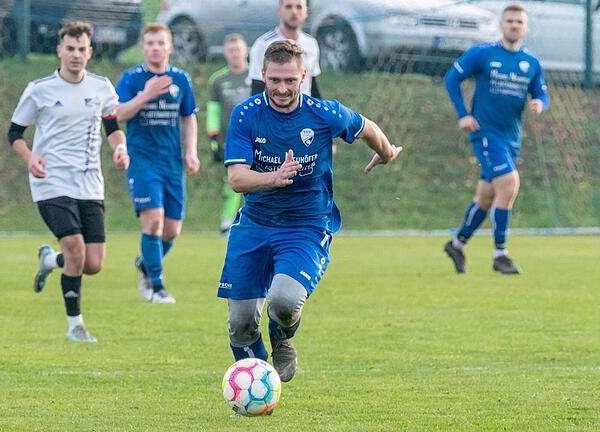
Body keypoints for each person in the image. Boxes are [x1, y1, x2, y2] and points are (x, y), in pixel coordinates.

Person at [218, 40, 402, 382]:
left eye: (291, 80)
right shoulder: (247, 114)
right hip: (256, 224)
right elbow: (236, 179)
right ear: (263, 75)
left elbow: (366, 127)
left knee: (284, 301)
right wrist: (275, 177)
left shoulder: (324, 113)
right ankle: (262, 389)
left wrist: (387, 152)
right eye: (275, 80)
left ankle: (282, 337)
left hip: (306, 226)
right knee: (240, 324)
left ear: (303, 76)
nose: (283, 88)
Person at [8, 22, 129, 342]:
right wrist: (30, 157)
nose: (75, 55)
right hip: (51, 181)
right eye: (70, 49)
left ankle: (50, 260)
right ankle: (75, 326)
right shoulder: (40, 89)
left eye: (81, 50)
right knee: (75, 248)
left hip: (89, 182)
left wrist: (120, 148)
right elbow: (14, 134)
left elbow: (112, 127)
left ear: (89, 53)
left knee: (93, 263)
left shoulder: (101, 87)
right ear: (60, 51)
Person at [442, 4, 549, 275]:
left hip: (512, 137)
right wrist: (463, 114)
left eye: (519, 22)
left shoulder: (531, 63)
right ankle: (500, 254)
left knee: (486, 197)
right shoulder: (483, 54)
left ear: (525, 27)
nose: (514, 25)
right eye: (510, 20)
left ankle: (457, 243)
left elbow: (541, 93)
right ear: (502, 25)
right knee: (510, 184)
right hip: (486, 134)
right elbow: (452, 78)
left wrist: (539, 102)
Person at [115, 23, 199, 304]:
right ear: (143, 46)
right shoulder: (132, 78)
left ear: (169, 47)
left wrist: (191, 151)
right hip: (142, 161)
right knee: (153, 223)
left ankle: (145, 263)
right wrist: (146, 95)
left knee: (172, 230)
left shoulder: (181, 79)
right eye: (150, 43)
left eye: (160, 43)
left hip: (172, 163)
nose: (155, 48)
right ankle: (158, 286)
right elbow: (117, 114)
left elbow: (188, 117)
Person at [206, 34, 251, 236]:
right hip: (231, 141)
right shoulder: (218, 80)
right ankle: (227, 223)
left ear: (246, 51)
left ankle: (256, 223)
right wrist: (213, 137)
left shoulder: (257, 76)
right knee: (232, 182)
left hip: (258, 138)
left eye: (238, 49)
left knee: (262, 181)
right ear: (225, 53)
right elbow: (213, 111)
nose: (235, 54)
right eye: (231, 50)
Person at [248, 0, 321, 98]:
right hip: (275, 109)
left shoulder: (311, 43)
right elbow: (257, 87)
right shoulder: (263, 44)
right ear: (279, 10)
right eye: (288, 7)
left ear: (306, 11)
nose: (294, 12)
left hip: (303, 110)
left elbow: (313, 84)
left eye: (299, 7)